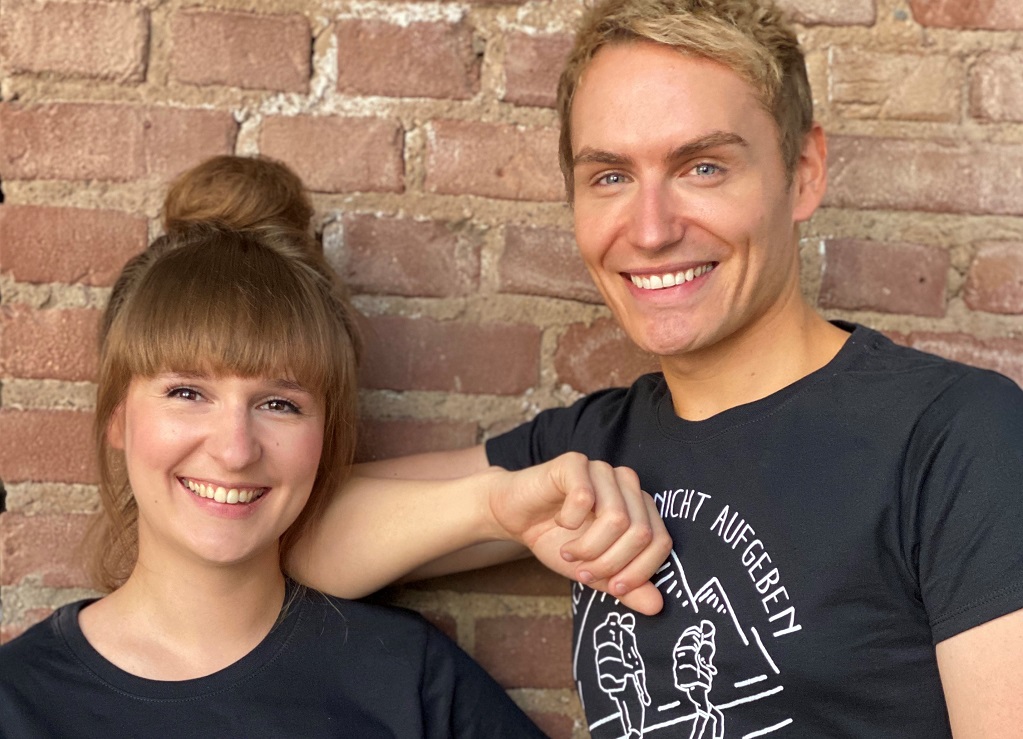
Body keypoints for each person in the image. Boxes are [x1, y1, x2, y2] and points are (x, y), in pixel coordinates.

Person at [292, 0, 1023, 736]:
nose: (650, 230)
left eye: (702, 167)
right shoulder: (596, 448)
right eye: (610, 176)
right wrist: (492, 505)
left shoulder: (955, 438)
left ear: (802, 173)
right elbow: (287, 532)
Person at [0, 155, 668, 737]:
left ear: (326, 436)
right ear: (117, 418)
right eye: (187, 392)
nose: (235, 449)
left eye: (279, 404)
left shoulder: (405, 678)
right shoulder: (17, 701)